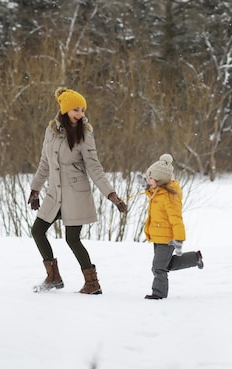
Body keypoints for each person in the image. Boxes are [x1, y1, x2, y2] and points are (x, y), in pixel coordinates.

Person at [28, 87, 128, 295]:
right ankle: (53, 277)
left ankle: (92, 284)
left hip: (75, 193)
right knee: (37, 231)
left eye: (82, 110)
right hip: (55, 194)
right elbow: (44, 162)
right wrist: (35, 189)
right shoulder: (51, 131)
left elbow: (94, 167)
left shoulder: (84, 134)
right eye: (76, 109)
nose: (80, 114)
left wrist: (111, 195)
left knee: (72, 239)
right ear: (64, 109)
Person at [142, 154, 204, 300]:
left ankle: (158, 294)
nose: (148, 181)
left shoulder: (169, 197)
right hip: (158, 236)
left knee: (158, 267)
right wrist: (146, 185)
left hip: (168, 239)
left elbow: (177, 219)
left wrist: (178, 239)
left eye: (150, 179)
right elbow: (151, 194)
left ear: (160, 180)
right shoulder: (158, 192)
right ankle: (194, 258)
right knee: (165, 264)